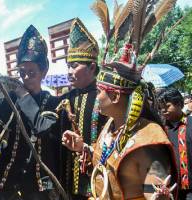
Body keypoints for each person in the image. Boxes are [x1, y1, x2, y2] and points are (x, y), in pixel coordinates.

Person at [62, 4, 179, 197]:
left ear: (116, 96)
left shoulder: (148, 138)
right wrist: (83, 148)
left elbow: (156, 191)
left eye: (100, 92)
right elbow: (106, 162)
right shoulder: (110, 126)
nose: (96, 96)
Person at [0, 25, 59, 200]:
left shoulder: (53, 102)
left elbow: (42, 128)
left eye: (32, 72)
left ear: (44, 71)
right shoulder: (9, 101)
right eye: (22, 72)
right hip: (5, 182)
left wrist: (23, 95)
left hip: (38, 187)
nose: (26, 77)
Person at [57, 18, 107, 199]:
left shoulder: (107, 97)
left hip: (101, 177)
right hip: (70, 180)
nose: (69, 72)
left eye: (74, 66)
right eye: (68, 66)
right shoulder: (66, 98)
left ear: (92, 67)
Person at [158, 88, 192, 199]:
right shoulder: (160, 129)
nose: (163, 110)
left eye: (167, 106)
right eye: (161, 108)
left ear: (179, 104)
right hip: (168, 189)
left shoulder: (190, 124)